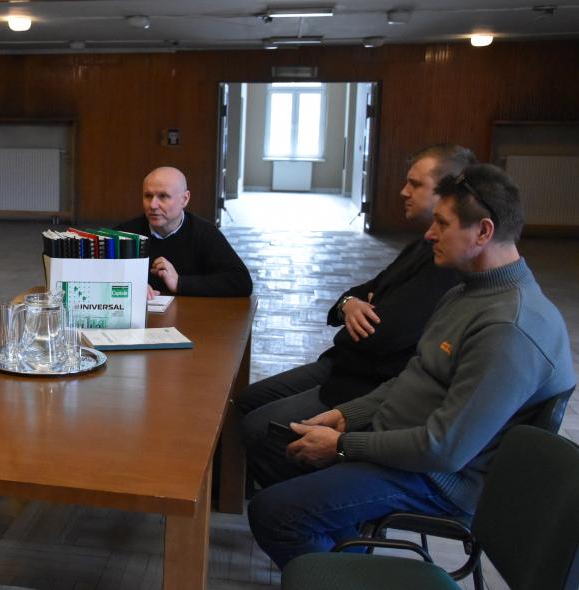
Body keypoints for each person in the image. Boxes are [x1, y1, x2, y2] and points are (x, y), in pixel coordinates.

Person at [246, 164, 575, 569]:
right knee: (278, 453)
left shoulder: (508, 329)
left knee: (275, 514)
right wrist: (347, 416)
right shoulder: (465, 293)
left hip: (438, 481)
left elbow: (444, 449)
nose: (429, 234)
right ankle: (350, 557)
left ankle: (346, 572)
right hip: (403, 449)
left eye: (442, 223)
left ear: (483, 232)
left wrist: (344, 445)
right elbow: (413, 377)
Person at [237, 145, 475, 484]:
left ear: (448, 192)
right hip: (345, 362)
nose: (403, 191)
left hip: (364, 380)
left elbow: (383, 334)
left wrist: (364, 310)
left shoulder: (447, 266)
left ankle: (294, 493)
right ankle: (241, 488)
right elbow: (357, 295)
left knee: (257, 427)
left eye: (415, 184)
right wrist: (351, 304)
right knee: (245, 401)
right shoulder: (421, 246)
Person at [116, 166, 252, 297]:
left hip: (191, 312)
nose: (153, 205)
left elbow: (241, 282)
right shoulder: (124, 234)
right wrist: (128, 284)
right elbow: (103, 275)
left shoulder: (205, 233)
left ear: (185, 199)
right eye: (148, 196)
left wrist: (180, 283)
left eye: (163, 196)